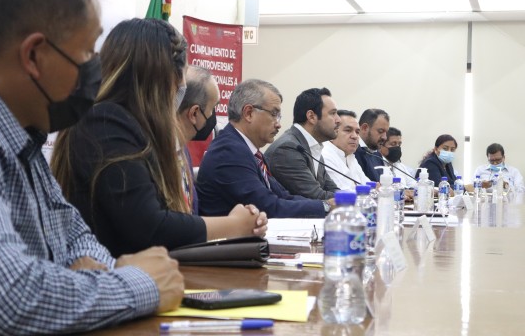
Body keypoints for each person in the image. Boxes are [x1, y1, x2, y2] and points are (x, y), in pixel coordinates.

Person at [0, 0, 183, 335]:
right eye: (87, 52)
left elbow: (76, 238)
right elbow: (7, 300)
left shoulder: (18, 132)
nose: (95, 68)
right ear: (34, 56)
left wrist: (84, 279)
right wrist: (140, 283)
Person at [51, 19, 267, 257]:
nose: (180, 93)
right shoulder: (106, 123)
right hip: (112, 273)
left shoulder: (126, 126)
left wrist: (235, 224)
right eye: (179, 84)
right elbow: (148, 225)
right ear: (161, 81)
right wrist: (233, 225)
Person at [197, 79, 329, 218]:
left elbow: (284, 196)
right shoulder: (228, 151)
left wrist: (325, 205)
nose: (278, 124)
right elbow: (269, 207)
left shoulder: (251, 151)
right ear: (249, 113)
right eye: (274, 114)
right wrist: (325, 207)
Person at [264, 87, 340, 200]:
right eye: (332, 113)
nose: (338, 120)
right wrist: (357, 199)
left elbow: (331, 188)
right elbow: (316, 196)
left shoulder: (313, 146)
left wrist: (357, 198)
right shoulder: (287, 148)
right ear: (311, 116)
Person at [176, 65, 219, 213]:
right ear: (194, 113)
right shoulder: (156, 153)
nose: (213, 116)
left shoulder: (182, 148)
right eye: (212, 108)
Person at [321, 110, 371, 191]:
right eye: (348, 130)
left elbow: (368, 185)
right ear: (332, 131)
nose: (355, 136)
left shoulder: (350, 156)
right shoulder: (325, 155)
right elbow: (343, 192)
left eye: (357, 132)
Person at [355, 108, 390, 182]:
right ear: (364, 128)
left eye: (386, 132)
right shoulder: (354, 151)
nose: (385, 137)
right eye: (380, 131)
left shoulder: (377, 154)